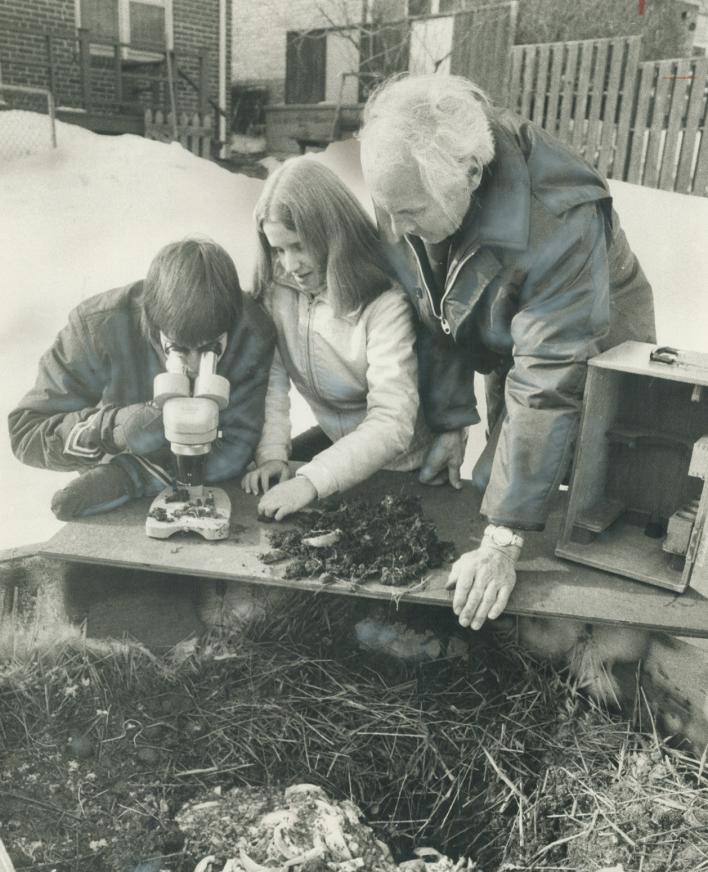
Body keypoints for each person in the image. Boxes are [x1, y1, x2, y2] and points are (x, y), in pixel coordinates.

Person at [358, 73, 656, 630]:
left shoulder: (559, 218)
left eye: (409, 213)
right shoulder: (408, 185)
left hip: (598, 328)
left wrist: (503, 539)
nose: (394, 230)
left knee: (593, 480)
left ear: (470, 174)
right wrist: (450, 419)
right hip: (501, 317)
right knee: (493, 478)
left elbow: (546, 380)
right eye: (387, 210)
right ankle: (502, 599)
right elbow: (431, 301)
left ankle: (599, 629)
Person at [9, 238, 276, 520]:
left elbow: (238, 442)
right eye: (180, 349)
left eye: (210, 348)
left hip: (142, 481)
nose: (195, 367)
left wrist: (132, 476)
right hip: (112, 477)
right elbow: (26, 435)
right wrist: (115, 429)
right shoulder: (96, 327)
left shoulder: (253, 332)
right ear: (151, 323)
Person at [242, 156, 432, 519]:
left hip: (404, 467)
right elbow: (274, 382)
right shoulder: (279, 292)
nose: (290, 265)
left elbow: (392, 421)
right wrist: (272, 455)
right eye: (278, 250)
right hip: (334, 452)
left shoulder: (384, 302)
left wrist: (309, 481)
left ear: (331, 233)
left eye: (299, 246)